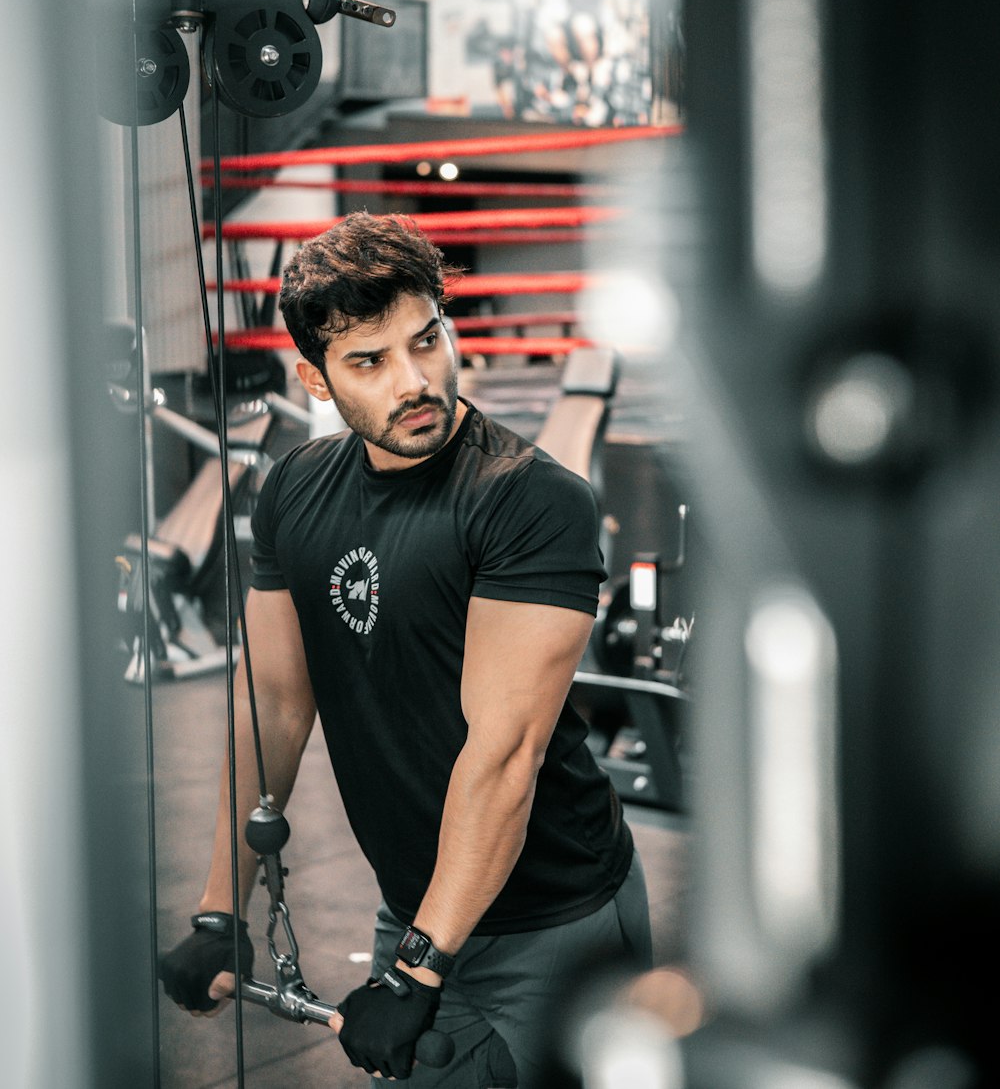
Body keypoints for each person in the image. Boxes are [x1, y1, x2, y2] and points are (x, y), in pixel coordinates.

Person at [159, 212, 651, 1087]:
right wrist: (217, 909)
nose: (416, 379)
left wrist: (418, 968)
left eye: (428, 341)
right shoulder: (295, 490)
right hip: (418, 907)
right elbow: (272, 701)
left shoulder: (528, 501)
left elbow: (503, 755)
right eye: (370, 361)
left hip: (554, 917)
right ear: (315, 377)